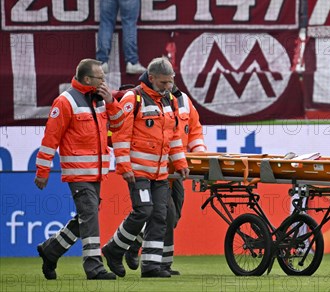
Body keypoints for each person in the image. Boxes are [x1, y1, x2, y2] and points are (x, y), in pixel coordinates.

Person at [34, 59, 123, 280]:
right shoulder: (64, 102)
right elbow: (50, 138)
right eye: (100, 78)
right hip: (78, 172)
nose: (104, 81)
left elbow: (120, 124)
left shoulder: (101, 100)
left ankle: (51, 250)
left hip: (97, 172)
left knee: (85, 218)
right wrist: (43, 170)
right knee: (90, 215)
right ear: (86, 79)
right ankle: (94, 267)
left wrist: (112, 102)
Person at [101, 57, 189, 278]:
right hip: (138, 171)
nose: (168, 87)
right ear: (151, 78)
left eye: (170, 83)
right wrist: (124, 166)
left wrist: (180, 163)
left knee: (160, 215)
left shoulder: (170, 100)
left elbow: (175, 137)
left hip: (160, 173)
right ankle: (114, 249)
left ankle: (150, 266)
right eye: (163, 83)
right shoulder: (134, 98)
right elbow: (121, 135)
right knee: (144, 211)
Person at [123, 85, 207, 275]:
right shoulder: (150, 101)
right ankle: (158, 264)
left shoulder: (184, 100)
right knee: (164, 215)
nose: (168, 83)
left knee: (174, 216)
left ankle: (137, 243)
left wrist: (200, 155)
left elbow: (194, 130)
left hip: (177, 168)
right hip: (157, 167)